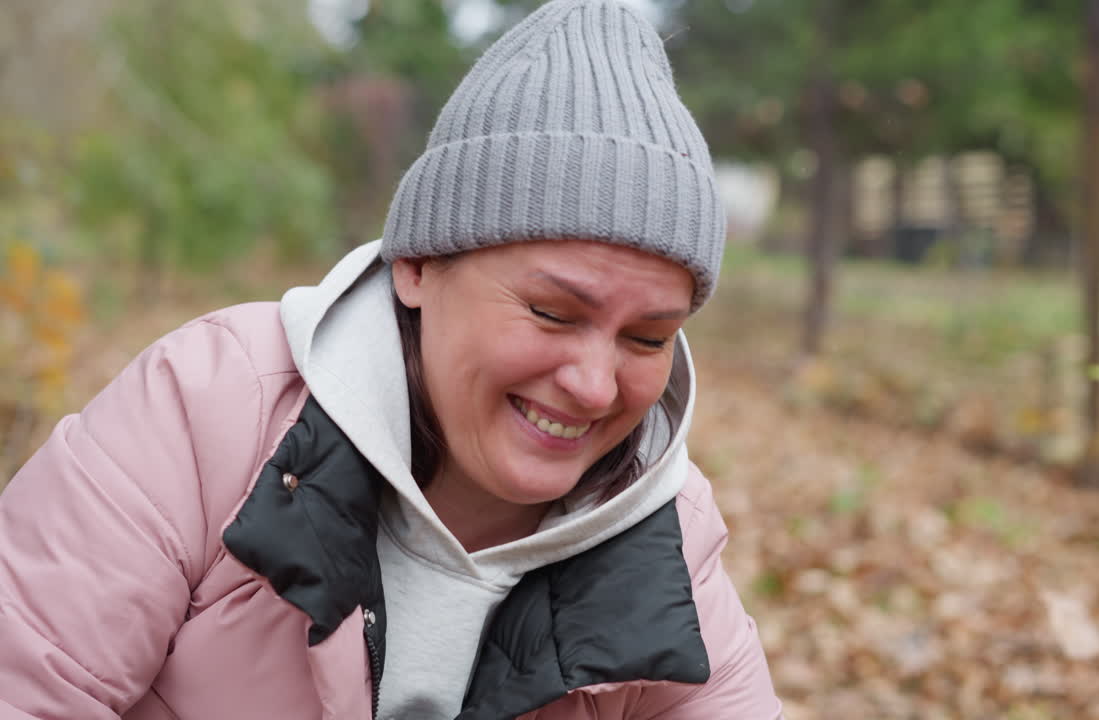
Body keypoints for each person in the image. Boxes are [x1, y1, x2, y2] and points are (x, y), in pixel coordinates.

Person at [0, 1, 782, 718]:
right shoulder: (211, 410)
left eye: (647, 338)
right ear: (417, 265)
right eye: (551, 312)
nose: (593, 383)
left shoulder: (667, 529)